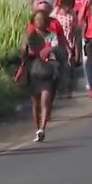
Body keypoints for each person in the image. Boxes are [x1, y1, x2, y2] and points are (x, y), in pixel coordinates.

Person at [20, 10, 62, 142]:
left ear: (46, 22)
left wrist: (48, 50)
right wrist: (25, 48)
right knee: (36, 102)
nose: (39, 21)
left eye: (42, 19)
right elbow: (23, 53)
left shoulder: (51, 36)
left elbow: (55, 49)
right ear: (33, 21)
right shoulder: (29, 36)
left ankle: (42, 128)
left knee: (45, 100)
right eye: (37, 19)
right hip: (33, 72)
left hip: (48, 72)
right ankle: (37, 129)